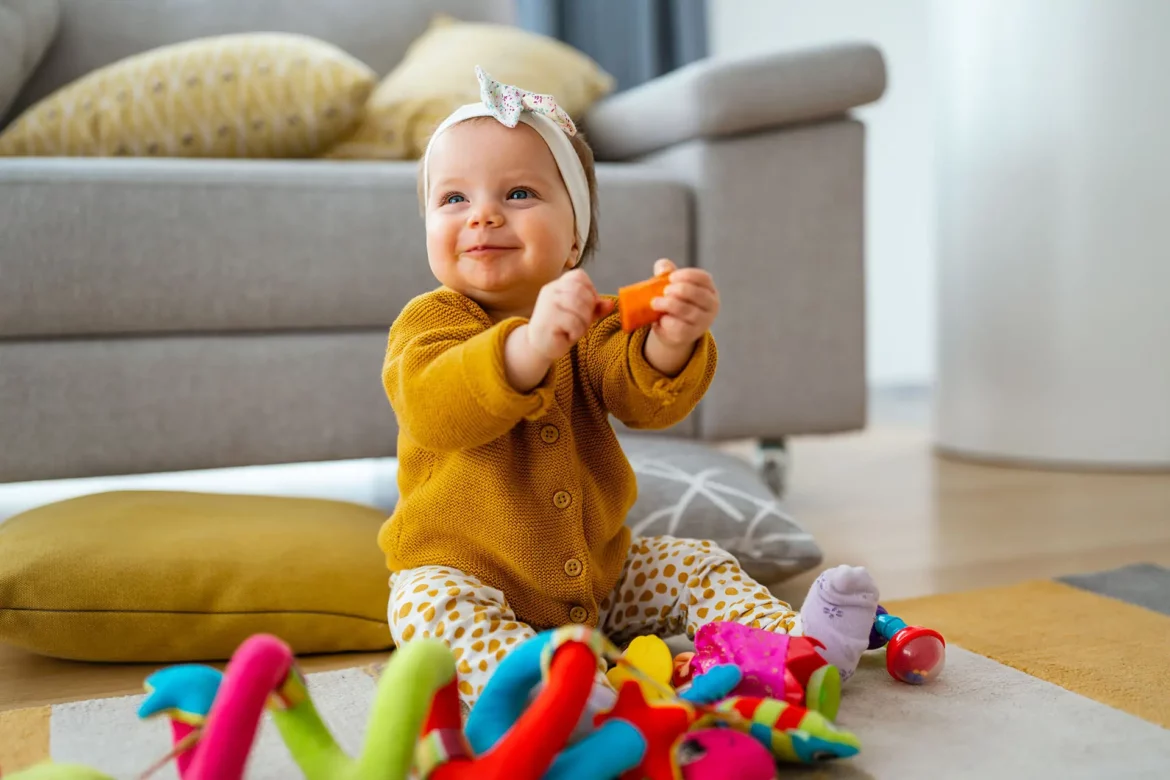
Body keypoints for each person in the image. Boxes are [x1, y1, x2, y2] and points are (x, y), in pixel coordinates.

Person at [378, 67, 879, 710]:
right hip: (464, 577)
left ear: (575, 237)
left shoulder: (595, 320)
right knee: (426, 615)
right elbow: (435, 409)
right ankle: (559, 697)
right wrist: (528, 346)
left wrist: (671, 340)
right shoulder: (431, 321)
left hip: (596, 579)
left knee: (696, 564)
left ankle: (794, 650)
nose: (482, 216)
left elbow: (643, 398)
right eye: (452, 200)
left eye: (520, 192)